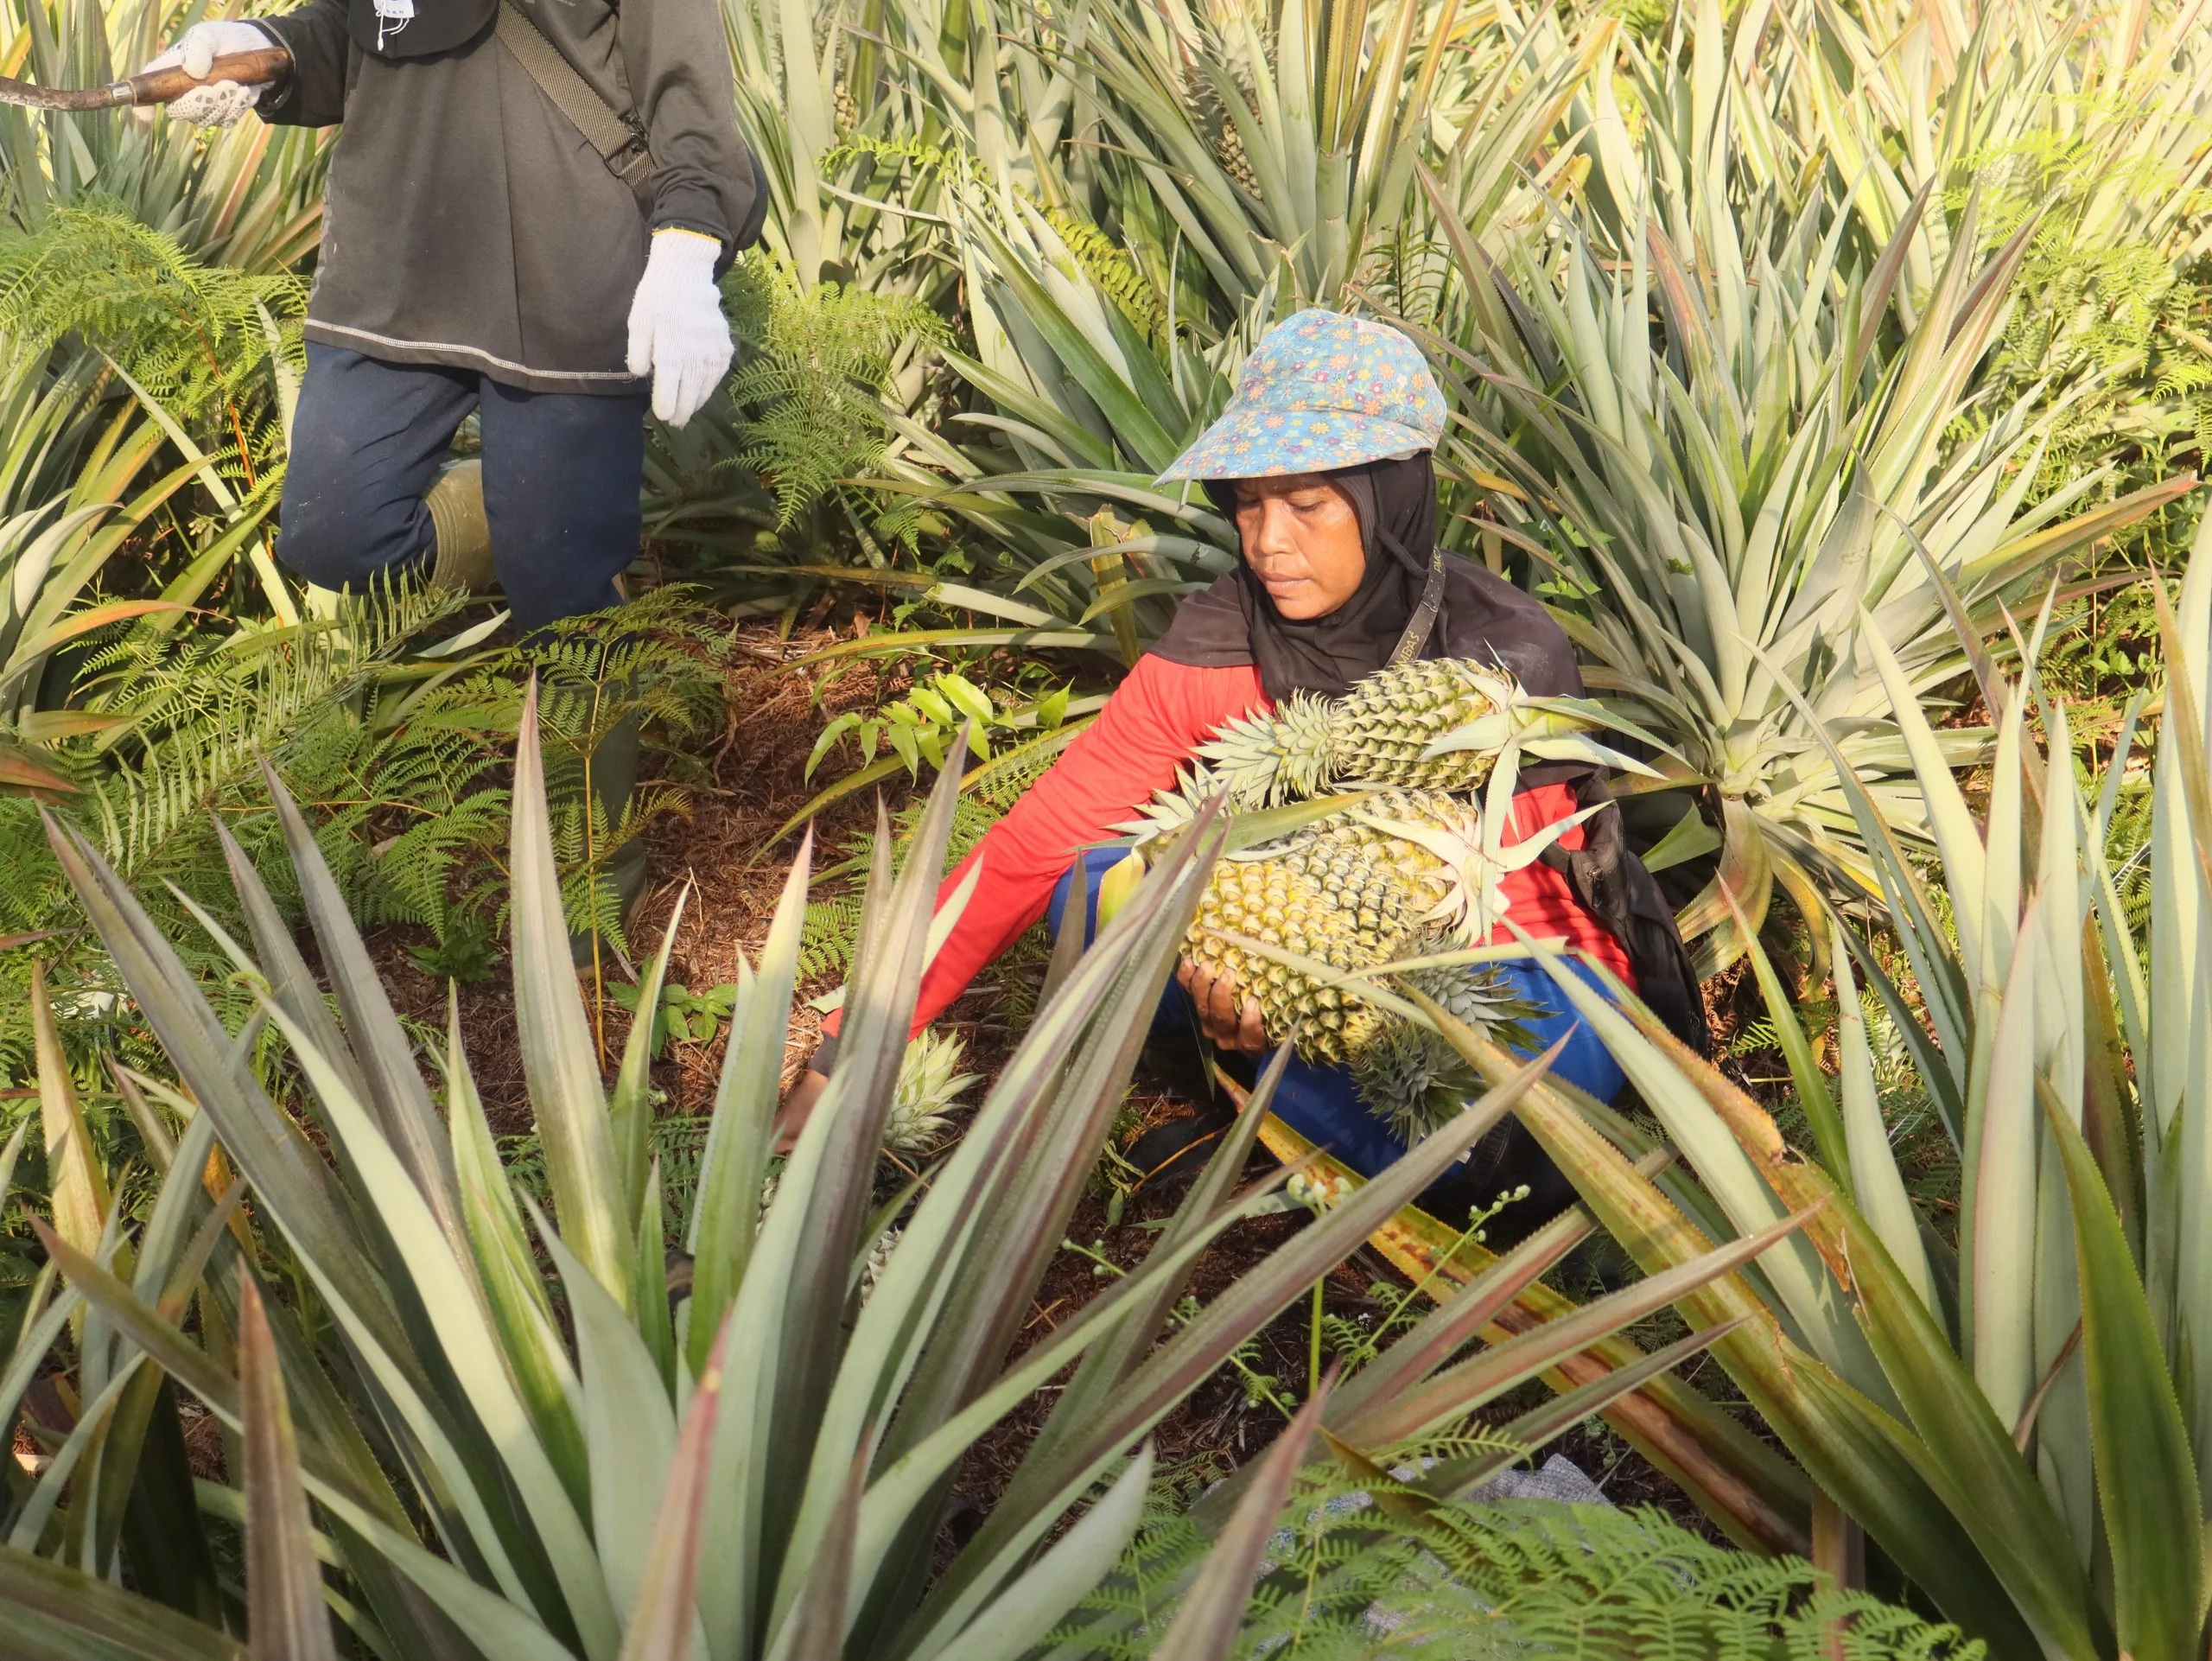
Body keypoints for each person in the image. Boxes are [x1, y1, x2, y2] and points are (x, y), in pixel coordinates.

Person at [788, 310, 1701, 1226]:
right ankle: (1290, 1110)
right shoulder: (1218, 646)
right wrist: (848, 1049)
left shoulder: (1500, 659)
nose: (1268, 541)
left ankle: (1319, 1119)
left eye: (1306, 504)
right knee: (1090, 889)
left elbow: (1529, 897)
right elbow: (1031, 846)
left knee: (1505, 1120)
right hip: (1287, 939)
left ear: (1390, 499)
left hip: (1508, 966)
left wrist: (1309, 976)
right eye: (1249, 501)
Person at [140, 0, 766, 628]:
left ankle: (581, 656)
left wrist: (688, 245)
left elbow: (688, 90)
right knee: (334, 535)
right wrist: (259, 48)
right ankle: (510, 521)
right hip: (394, 274)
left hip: (565, 282)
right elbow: (364, 30)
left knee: (563, 602)